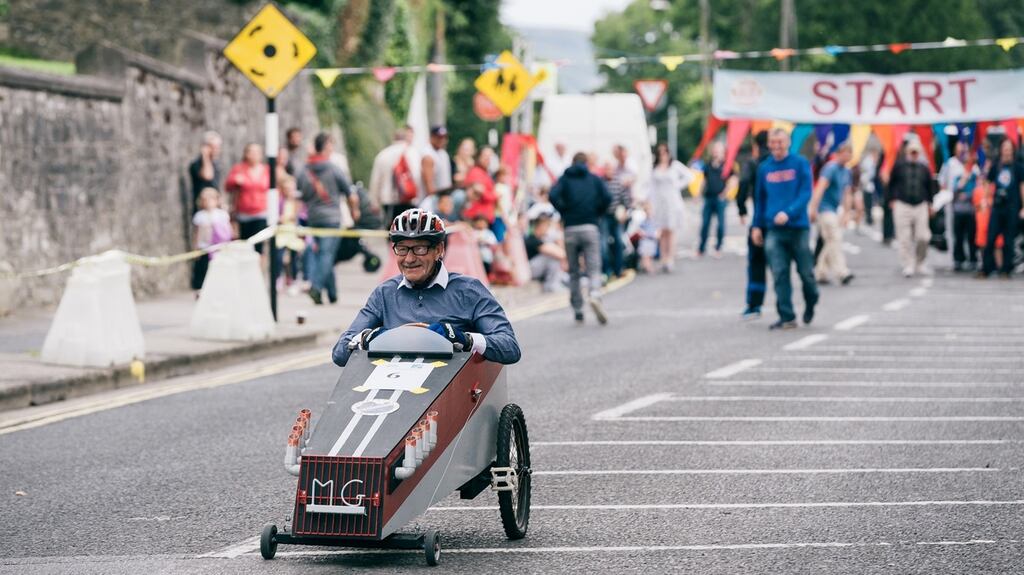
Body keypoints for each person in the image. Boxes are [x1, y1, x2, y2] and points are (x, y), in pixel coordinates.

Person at [332, 209, 521, 367]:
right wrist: (366, 338)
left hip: (450, 392)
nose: (409, 259)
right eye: (402, 248)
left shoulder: (469, 290)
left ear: (439, 249)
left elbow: (510, 348)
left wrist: (465, 339)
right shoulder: (384, 293)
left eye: (419, 249)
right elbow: (339, 354)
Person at [751, 128, 819, 331]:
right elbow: (760, 199)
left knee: (806, 273)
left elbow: (806, 193)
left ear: (788, 142)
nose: (777, 146)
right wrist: (757, 225)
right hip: (774, 230)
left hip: (798, 227)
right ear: (769, 144)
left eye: (780, 142)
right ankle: (787, 315)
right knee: (779, 273)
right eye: (773, 142)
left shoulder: (799, 164)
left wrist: (789, 213)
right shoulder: (765, 168)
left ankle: (811, 300)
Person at [297, 133, 361, 305]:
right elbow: (350, 193)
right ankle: (316, 288)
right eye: (331, 145)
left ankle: (332, 294)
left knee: (325, 254)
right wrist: (354, 211)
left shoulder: (305, 170)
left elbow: (299, 193)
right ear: (325, 147)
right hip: (332, 218)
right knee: (326, 254)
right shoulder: (333, 168)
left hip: (313, 218)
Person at [550, 152, 612, 325]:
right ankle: (594, 294)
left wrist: (564, 211)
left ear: (572, 162)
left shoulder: (565, 179)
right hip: (590, 226)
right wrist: (597, 212)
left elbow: (552, 195)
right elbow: (608, 198)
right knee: (593, 266)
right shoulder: (594, 179)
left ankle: (577, 309)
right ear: (586, 163)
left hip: (570, 228)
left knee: (574, 270)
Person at [886, 140, 935, 277]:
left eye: (916, 152)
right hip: (903, 203)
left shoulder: (924, 168)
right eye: (912, 152)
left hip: (920, 204)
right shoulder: (899, 166)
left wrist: (930, 204)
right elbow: (891, 184)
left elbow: (929, 187)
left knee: (923, 236)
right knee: (904, 237)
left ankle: (920, 262)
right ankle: (907, 264)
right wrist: (891, 200)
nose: (914, 155)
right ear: (907, 153)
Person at [809, 142, 855, 285]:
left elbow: (847, 193)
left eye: (849, 153)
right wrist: (813, 208)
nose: (847, 156)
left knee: (829, 241)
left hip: (835, 209)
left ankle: (820, 271)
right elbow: (820, 187)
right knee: (835, 238)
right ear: (838, 153)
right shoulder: (830, 168)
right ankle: (842, 272)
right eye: (845, 152)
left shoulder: (847, 171)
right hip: (824, 209)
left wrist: (847, 213)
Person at [980, 139, 1024, 278]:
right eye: (1004, 148)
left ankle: (1006, 269)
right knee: (991, 237)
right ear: (1001, 150)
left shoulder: (1018, 168)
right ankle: (986, 269)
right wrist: (985, 198)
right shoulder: (996, 166)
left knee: (1008, 240)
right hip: (998, 207)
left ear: (1012, 150)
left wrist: (1023, 207)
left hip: (1012, 207)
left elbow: (1022, 188)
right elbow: (987, 182)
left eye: (1009, 148)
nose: (1007, 151)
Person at [737, 130, 769, 319]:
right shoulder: (777, 163)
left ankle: (754, 304)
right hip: (780, 222)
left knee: (756, 264)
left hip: (759, 220)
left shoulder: (753, 163)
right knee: (780, 267)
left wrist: (742, 209)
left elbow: (743, 185)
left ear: (756, 145)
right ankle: (785, 307)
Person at [648, 142, 694, 272]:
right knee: (662, 231)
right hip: (660, 202)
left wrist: (677, 185)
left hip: (672, 201)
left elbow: (689, 176)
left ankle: (670, 258)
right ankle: (663, 257)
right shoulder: (655, 168)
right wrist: (651, 203)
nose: (663, 155)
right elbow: (651, 188)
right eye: (660, 152)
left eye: (665, 152)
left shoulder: (675, 166)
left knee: (671, 230)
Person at [368, 126, 420, 224]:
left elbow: (375, 181)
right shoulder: (413, 153)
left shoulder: (383, 155)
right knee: (409, 232)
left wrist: (374, 203)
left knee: (392, 231)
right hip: (409, 200)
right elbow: (417, 178)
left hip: (388, 200)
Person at [942, 142, 981, 271]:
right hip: (957, 208)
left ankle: (973, 258)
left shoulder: (975, 171)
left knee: (971, 236)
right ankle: (958, 258)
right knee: (958, 235)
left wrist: (970, 195)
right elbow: (952, 187)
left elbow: (978, 188)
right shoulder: (953, 166)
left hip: (971, 209)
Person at [225, 143, 271, 252]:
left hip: (261, 213)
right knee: (245, 246)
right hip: (244, 214)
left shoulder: (267, 170)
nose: (254, 155)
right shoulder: (239, 169)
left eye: (257, 152)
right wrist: (235, 180)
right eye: (251, 152)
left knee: (259, 246)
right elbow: (227, 187)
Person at [602, 144, 635, 278]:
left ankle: (618, 268)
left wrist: (625, 213)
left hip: (616, 217)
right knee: (602, 244)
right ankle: (606, 270)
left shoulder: (618, 182)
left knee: (619, 242)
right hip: (604, 217)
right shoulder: (600, 183)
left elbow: (625, 200)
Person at [191, 187, 232, 293]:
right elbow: (197, 233)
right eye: (205, 200)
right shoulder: (200, 216)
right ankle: (200, 289)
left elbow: (228, 232)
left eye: (211, 199)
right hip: (204, 247)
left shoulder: (222, 214)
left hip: (218, 248)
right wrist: (195, 248)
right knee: (202, 269)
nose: (208, 202)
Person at [699, 142, 730, 258]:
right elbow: (704, 180)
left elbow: (733, 180)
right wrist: (698, 194)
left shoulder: (727, 165)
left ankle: (718, 247)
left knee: (721, 224)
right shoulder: (708, 165)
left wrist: (724, 193)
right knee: (705, 223)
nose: (716, 152)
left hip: (720, 197)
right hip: (709, 197)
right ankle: (701, 248)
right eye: (715, 150)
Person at [525, 213, 568, 292]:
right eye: (547, 226)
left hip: (535, 270)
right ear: (540, 226)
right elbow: (559, 254)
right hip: (528, 271)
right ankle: (551, 285)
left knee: (553, 257)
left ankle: (558, 281)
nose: (548, 229)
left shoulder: (542, 238)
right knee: (551, 257)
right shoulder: (532, 239)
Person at [189, 131, 223, 213]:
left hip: (215, 207)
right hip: (202, 209)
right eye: (214, 147)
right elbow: (208, 176)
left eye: (218, 147)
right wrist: (205, 156)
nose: (217, 150)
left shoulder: (215, 163)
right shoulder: (196, 164)